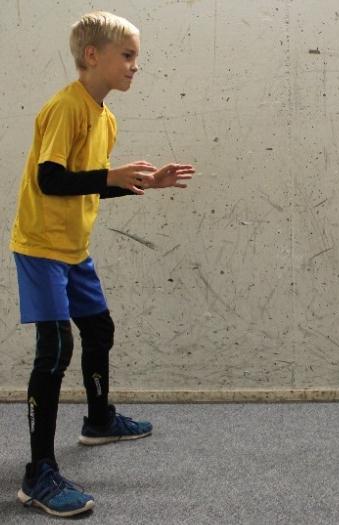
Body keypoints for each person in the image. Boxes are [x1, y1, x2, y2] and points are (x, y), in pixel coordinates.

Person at [10, 11, 195, 517]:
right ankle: (38, 475)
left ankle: (97, 421)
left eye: (137, 56)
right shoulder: (65, 108)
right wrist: (110, 175)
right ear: (93, 56)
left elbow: (87, 186)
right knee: (55, 350)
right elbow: (51, 181)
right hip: (41, 248)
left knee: (99, 329)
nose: (137, 66)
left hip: (73, 249)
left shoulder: (106, 117)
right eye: (128, 55)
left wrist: (139, 183)